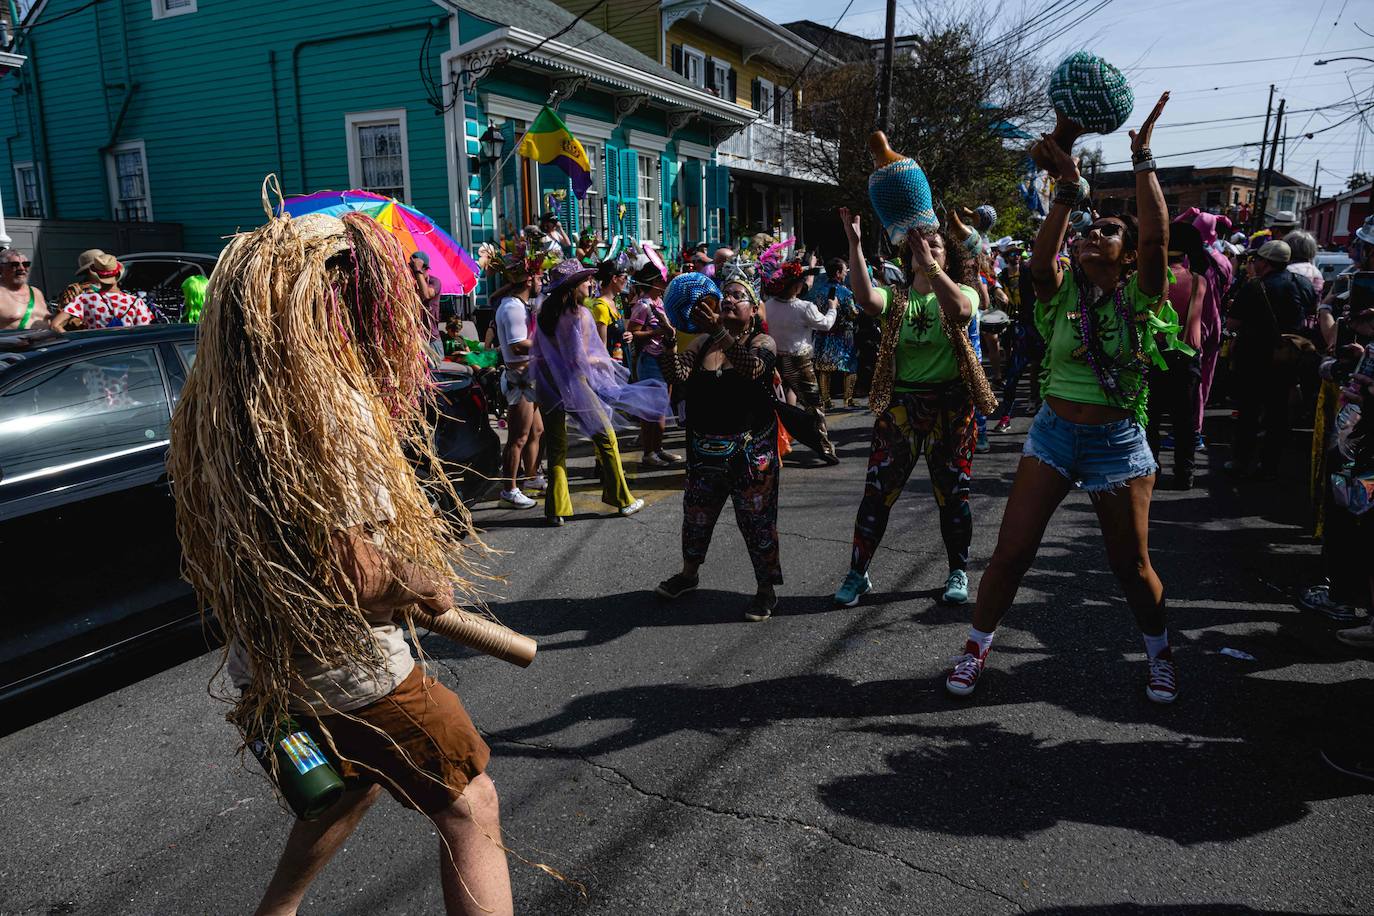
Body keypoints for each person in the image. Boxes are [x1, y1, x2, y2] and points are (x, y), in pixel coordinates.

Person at [168, 210, 512, 916]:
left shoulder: (219, 398)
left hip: (263, 657)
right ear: (339, 295)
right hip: (345, 665)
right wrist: (423, 583)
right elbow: (358, 578)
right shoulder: (326, 409)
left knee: (348, 786)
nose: (413, 292)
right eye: (396, 280)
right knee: (470, 801)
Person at [944, 93, 1191, 704]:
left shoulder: (1140, 298)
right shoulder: (1060, 297)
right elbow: (1039, 265)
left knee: (1131, 569)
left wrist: (1143, 161)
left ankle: (1160, 654)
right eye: (1090, 228)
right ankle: (976, 645)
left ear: (1127, 256)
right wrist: (1068, 188)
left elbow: (1159, 240)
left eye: (1108, 231)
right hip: (1054, 433)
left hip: (1117, 444)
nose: (1091, 235)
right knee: (1010, 554)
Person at [832, 206, 986, 609]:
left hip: (953, 406)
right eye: (920, 246)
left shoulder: (962, 291)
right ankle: (857, 572)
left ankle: (957, 570)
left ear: (946, 258)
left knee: (953, 494)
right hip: (900, 405)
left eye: (935, 245)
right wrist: (855, 243)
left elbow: (961, 311)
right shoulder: (897, 298)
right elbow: (865, 299)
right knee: (877, 493)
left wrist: (934, 269)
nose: (927, 248)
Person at [653, 267, 783, 621]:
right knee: (696, 517)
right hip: (703, 450)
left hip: (750, 453)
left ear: (754, 309)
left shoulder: (762, 342)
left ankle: (765, 590)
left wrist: (719, 331)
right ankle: (688, 574)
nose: (728, 299)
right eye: (725, 294)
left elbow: (753, 370)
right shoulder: (702, 342)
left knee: (757, 523)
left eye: (738, 296)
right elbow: (677, 376)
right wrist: (667, 343)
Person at [531, 259, 670, 525]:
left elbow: (542, 354)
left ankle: (556, 509)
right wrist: (603, 360)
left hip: (548, 387)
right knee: (607, 439)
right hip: (575, 386)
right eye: (585, 280)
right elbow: (578, 359)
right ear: (572, 287)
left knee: (557, 448)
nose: (590, 284)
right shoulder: (579, 314)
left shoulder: (545, 314)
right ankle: (622, 499)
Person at [1225, 238, 1317, 477]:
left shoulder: (1254, 287)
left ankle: (1242, 461)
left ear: (1265, 262)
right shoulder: (1303, 283)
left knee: (1248, 412)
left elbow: (1233, 323)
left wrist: (1230, 337)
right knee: (1278, 413)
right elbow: (1309, 314)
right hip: (1288, 357)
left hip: (1254, 358)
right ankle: (1269, 465)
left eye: (1255, 260)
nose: (1252, 263)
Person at [1145, 220, 1208, 490]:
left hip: (1152, 356)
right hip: (1187, 358)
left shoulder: (1149, 280)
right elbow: (1208, 321)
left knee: (1151, 419)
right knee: (1184, 421)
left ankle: (1151, 470)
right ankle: (1185, 474)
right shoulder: (1198, 281)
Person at [763, 256, 839, 464]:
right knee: (813, 406)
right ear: (796, 286)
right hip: (799, 362)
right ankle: (824, 447)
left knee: (774, 406)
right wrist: (832, 307)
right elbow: (825, 324)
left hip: (774, 361)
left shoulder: (768, 305)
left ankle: (772, 448)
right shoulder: (803, 307)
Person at [491, 248, 546, 509]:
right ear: (528, 280)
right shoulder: (513, 307)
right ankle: (509, 489)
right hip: (520, 376)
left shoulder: (519, 305)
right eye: (539, 277)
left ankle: (532, 477)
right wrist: (548, 345)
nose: (542, 282)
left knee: (537, 430)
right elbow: (516, 345)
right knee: (518, 437)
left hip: (528, 374)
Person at [627, 263, 681, 466]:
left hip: (664, 357)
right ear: (654, 282)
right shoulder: (643, 305)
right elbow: (633, 333)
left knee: (662, 408)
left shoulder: (661, 302)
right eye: (662, 279)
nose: (665, 282)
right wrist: (657, 332)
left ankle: (658, 449)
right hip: (649, 359)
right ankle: (649, 452)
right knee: (652, 410)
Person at [51, 252, 153, 331]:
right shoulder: (136, 302)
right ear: (118, 274)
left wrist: (76, 343)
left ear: (95, 275)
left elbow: (55, 325)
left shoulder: (83, 299)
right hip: (128, 353)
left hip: (98, 353)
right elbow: (145, 332)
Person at [811, 257, 860, 409]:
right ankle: (848, 399)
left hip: (824, 333)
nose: (846, 274)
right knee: (850, 366)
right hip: (844, 334)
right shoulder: (845, 292)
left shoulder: (818, 291)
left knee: (824, 368)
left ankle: (825, 400)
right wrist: (859, 309)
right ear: (838, 273)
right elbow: (853, 313)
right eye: (845, 271)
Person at [586, 258, 632, 362]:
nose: (626, 281)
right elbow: (602, 347)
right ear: (614, 278)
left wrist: (625, 335)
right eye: (624, 277)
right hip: (612, 367)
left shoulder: (615, 302)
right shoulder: (601, 307)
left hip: (622, 362)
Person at [0, 248, 47, 330]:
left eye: (26, 264)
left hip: (48, 341)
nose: (21, 268)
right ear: (1, 268)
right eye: (14, 264)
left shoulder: (36, 292)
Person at [411, 250, 443, 345]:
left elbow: (426, 294)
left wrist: (417, 270)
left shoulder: (435, 282)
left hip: (432, 340)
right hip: (415, 339)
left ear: (425, 268)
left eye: (414, 267)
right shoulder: (409, 283)